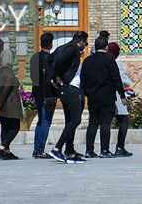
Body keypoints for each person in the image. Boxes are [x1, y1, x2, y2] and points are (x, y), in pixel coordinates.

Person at [82, 35, 126, 158]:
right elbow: (116, 79)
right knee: (105, 123)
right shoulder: (109, 60)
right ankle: (104, 150)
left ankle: (89, 150)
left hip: (93, 97)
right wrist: (121, 95)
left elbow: (83, 79)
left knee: (93, 123)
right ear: (106, 47)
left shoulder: (87, 60)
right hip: (107, 96)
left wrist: (86, 92)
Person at [49, 30, 90, 163]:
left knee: (70, 120)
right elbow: (59, 60)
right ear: (81, 42)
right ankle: (57, 149)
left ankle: (70, 150)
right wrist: (57, 76)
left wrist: (54, 76)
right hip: (70, 89)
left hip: (66, 89)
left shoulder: (66, 47)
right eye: (85, 44)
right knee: (76, 119)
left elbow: (51, 59)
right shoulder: (72, 48)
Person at [0, 49, 24, 160]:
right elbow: (7, 88)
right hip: (10, 105)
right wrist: (0, 102)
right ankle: (1, 149)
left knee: (5, 128)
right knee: (15, 127)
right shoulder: (9, 72)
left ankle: (7, 152)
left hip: (2, 105)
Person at [107, 42, 134, 156]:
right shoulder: (116, 63)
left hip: (103, 95)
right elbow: (124, 81)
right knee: (124, 120)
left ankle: (96, 149)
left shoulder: (101, 60)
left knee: (104, 122)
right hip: (117, 96)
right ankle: (120, 147)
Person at [30, 32, 55, 159]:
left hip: (37, 92)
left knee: (40, 121)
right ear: (51, 44)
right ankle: (40, 150)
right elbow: (51, 77)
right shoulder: (49, 59)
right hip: (48, 94)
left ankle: (36, 148)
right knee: (46, 122)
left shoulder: (34, 57)